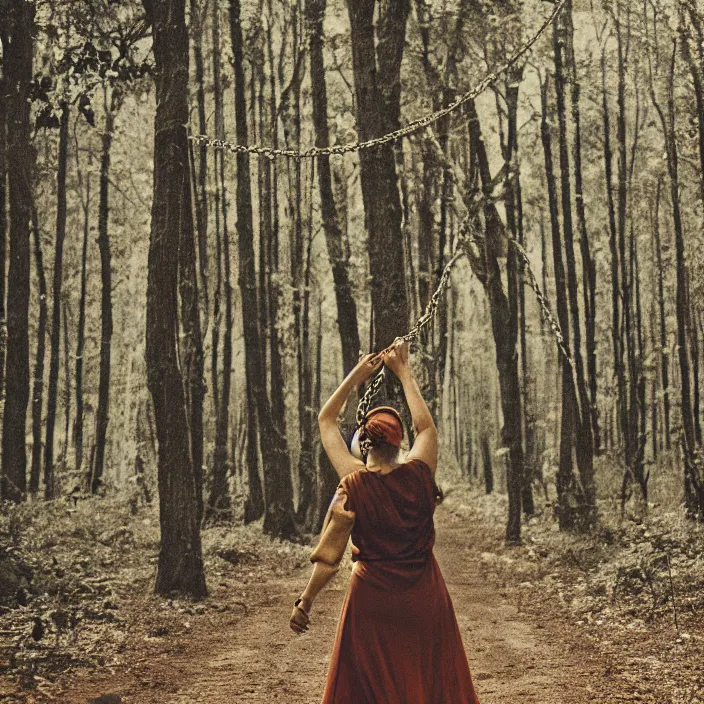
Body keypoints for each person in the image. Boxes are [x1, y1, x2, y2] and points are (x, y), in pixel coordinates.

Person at [290, 341, 481, 704]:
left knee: (371, 689)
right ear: (399, 444)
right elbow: (425, 427)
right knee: (426, 679)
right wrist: (403, 370)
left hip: (371, 601)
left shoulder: (354, 482)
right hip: (424, 596)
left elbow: (326, 420)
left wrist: (306, 602)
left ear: (363, 443)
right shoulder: (420, 475)